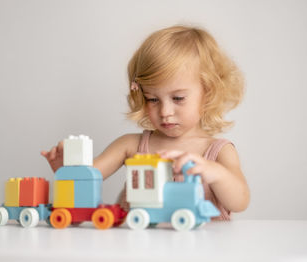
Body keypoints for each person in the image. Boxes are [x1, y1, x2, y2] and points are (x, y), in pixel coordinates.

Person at [41, 25, 250, 220]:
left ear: (208, 93)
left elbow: (240, 202)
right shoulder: (129, 145)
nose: (165, 112)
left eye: (178, 98)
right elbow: (87, 179)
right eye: (153, 99)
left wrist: (215, 173)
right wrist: (69, 172)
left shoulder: (218, 151)